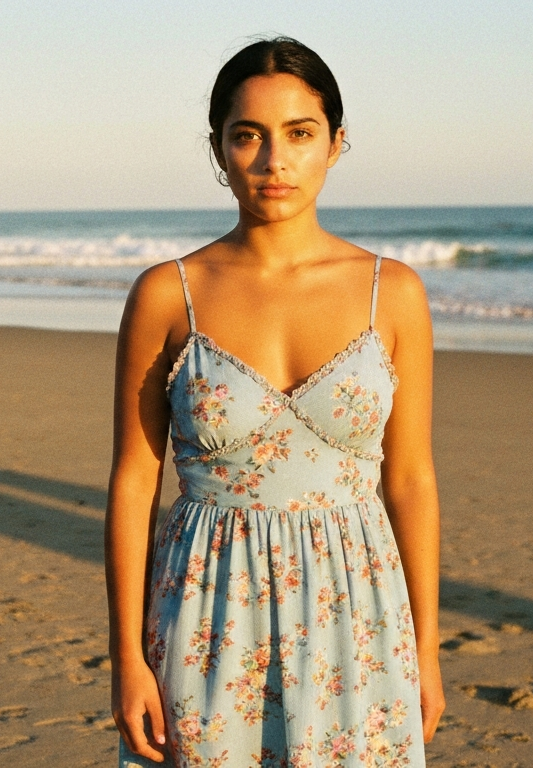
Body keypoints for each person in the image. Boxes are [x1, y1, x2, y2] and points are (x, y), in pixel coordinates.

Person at [105, 37, 444, 766]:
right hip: (207, 606)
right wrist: (127, 656)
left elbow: (411, 481)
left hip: (357, 612)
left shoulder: (396, 294)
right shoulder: (169, 294)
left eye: (299, 133)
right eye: (247, 135)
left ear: (336, 143)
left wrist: (428, 649)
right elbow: (135, 482)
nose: (273, 160)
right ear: (219, 149)